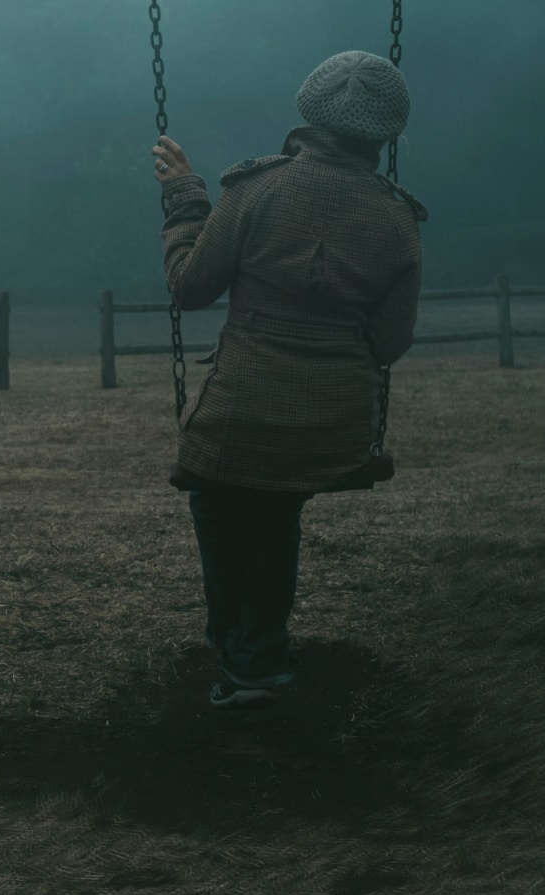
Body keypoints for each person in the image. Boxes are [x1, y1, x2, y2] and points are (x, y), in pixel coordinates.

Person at [150, 51, 426, 710]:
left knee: (218, 500)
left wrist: (186, 198)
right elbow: (390, 341)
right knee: (274, 515)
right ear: (385, 134)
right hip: (331, 423)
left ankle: (244, 649)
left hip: (242, 408)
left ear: (310, 112)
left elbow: (191, 289)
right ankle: (253, 651)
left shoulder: (257, 189)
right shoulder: (397, 220)